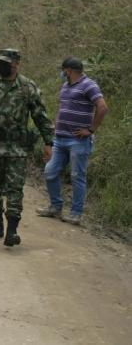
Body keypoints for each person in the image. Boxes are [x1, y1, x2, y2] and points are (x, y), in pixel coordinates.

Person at [0, 48, 54, 247]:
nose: (3, 66)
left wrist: (49, 142)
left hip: (16, 149)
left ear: (17, 64)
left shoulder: (27, 87)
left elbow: (40, 116)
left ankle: (12, 230)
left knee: (14, 189)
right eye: (1, 63)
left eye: (8, 63)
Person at [36, 57, 108, 225]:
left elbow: (102, 107)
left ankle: (76, 214)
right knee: (50, 171)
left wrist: (90, 130)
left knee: (77, 176)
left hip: (78, 140)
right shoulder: (66, 85)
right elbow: (64, 108)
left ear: (68, 70)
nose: (62, 73)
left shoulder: (89, 85)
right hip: (60, 138)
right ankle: (55, 206)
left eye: (63, 70)